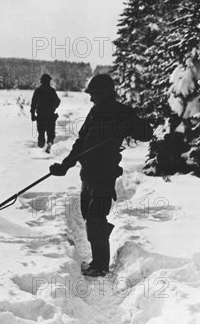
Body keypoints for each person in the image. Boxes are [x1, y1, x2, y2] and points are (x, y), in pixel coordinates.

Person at [49, 74, 153, 277]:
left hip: (104, 174)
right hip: (87, 173)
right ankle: (99, 254)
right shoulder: (95, 112)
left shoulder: (123, 112)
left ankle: (100, 265)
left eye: (94, 94)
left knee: (96, 216)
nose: (91, 98)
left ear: (104, 93)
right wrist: (66, 164)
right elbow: (81, 142)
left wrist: (130, 126)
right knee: (89, 215)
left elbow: (146, 133)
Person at [31, 74, 61, 153]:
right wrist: (53, 107)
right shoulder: (52, 91)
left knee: (41, 133)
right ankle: (49, 145)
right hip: (50, 116)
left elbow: (33, 104)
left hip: (41, 116)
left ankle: (41, 146)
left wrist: (33, 115)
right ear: (49, 81)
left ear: (41, 81)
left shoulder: (37, 91)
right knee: (50, 134)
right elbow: (58, 101)